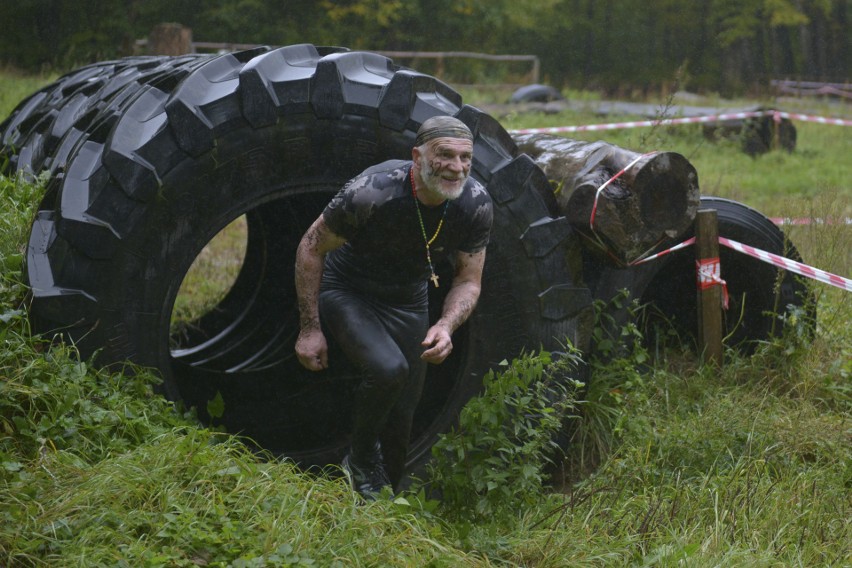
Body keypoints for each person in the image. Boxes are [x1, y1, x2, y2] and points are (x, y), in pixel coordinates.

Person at [294, 116, 493, 499]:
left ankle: (384, 505)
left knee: (403, 414)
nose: (456, 167)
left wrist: (446, 326)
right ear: (417, 156)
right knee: (389, 370)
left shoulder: (475, 204)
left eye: (465, 157)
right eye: (445, 155)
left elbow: (469, 280)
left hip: (407, 298)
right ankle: (360, 460)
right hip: (348, 288)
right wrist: (309, 328)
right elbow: (310, 246)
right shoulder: (373, 191)